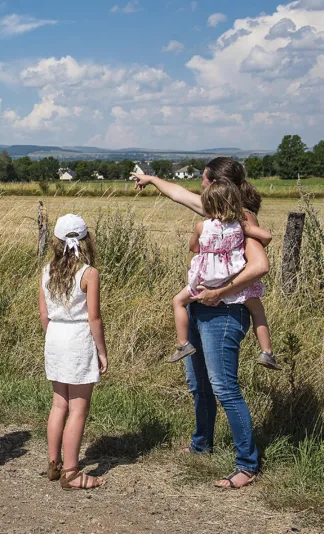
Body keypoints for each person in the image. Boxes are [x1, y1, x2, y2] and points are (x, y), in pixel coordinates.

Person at [132, 157, 269, 489]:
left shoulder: (241, 218)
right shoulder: (214, 210)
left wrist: (219, 290)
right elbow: (177, 193)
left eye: (202, 179)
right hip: (201, 308)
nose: (198, 184)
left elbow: (260, 265)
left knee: (224, 388)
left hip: (224, 314)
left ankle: (247, 465)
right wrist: (150, 179)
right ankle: (201, 445)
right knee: (200, 386)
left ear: (214, 184)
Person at [169, 178, 281, 371]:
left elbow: (193, 247)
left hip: (206, 281)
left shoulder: (201, 226)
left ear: (208, 204)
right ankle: (266, 352)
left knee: (178, 301)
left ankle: (183, 344)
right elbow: (267, 236)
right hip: (233, 280)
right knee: (257, 311)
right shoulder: (240, 225)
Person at [39, 214, 108, 491]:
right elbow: (94, 318)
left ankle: (54, 463)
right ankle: (71, 472)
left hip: (55, 336)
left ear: (56, 240)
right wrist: (101, 351)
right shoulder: (89, 273)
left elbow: (44, 314)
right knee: (78, 409)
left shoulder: (47, 271)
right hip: (78, 338)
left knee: (59, 404)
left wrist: (52, 339)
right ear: (85, 239)